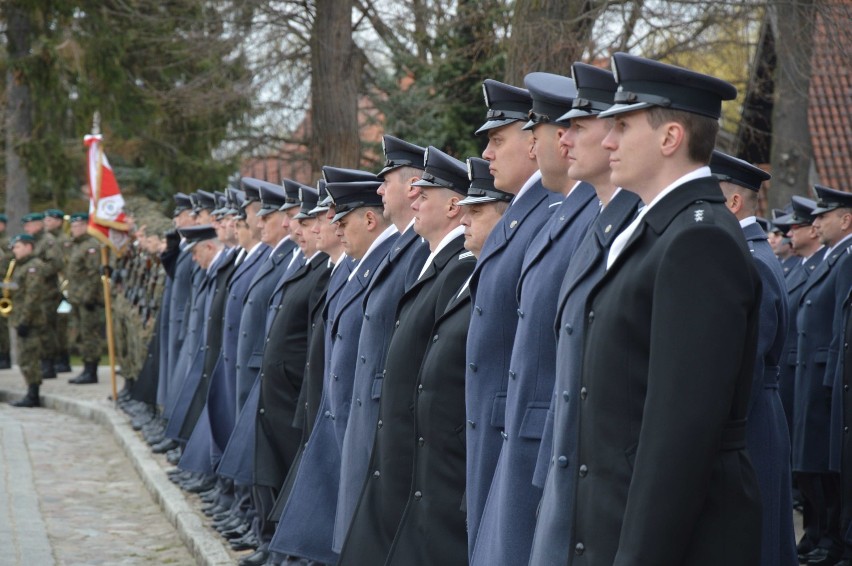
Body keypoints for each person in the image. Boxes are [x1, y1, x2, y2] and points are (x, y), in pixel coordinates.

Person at [571, 52, 762, 565]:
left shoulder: (698, 240)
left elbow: (680, 433)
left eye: (623, 125)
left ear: (670, 137)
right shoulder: (658, 227)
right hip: (620, 516)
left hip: (671, 538)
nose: (606, 139)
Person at [471, 70, 598, 566]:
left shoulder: (570, 212)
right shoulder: (562, 211)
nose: (486, 154)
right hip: (515, 429)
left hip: (539, 437)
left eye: (497, 140)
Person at [338, 147, 474, 566]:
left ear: (454, 205)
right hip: (401, 437)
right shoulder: (432, 258)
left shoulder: (456, 265)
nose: (413, 200)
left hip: (424, 446)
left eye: (424, 194)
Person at [529, 62, 641, 566]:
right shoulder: (597, 223)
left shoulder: (632, 227)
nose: (562, 140)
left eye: (578, 126)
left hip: (609, 475)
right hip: (571, 458)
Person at [384, 157, 509, 566]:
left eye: (478, 210)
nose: (466, 220)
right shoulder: (461, 267)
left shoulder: (464, 268)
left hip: (456, 449)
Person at [464, 78, 561, 555]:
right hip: (498, 420)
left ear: (532, 142)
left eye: (497, 140)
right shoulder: (528, 212)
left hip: (516, 427)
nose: (486, 154)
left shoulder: (546, 213)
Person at [334, 135, 430, 553]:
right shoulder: (403, 246)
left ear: (411, 187)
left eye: (386, 180)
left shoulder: (414, 248)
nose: (378, 190)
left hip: (385, 413)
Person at [712, 150, 797, 566]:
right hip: (758, 416)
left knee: (757, 543)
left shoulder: (751, 260)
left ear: (734, 203)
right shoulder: (750, 252)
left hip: (753, 423)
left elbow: (749, 363)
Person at [794, 185, 852, 565]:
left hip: (827, 374)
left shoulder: (845, 257)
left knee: (829, 466)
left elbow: (840, 327)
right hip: (814, 371)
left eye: (824, 216)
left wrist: (833, 378)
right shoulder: (837, 256)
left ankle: (833, 538)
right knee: (814, 463)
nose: (817, 223)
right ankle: (825, 535)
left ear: (846, 219)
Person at [7, 234, 51, 407]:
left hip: (30, 320)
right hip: (20, 317)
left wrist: (25, 320)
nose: (14, 251)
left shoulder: (34, 267)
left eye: (17, 247)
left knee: (30, 357)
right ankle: (30, 391)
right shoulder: (20, 266)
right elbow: (17, 288)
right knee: (24, 357)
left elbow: (32, 296)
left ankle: (33, 394)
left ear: (28, 247)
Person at [64, 213, 104, 384]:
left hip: (88, 299)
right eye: (73, 226)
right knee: (81, 333)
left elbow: (93, 273)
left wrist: (89, 296)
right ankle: (86, 367)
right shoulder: (75, 246)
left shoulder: (91, 246)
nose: (75, 229)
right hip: (76, 297)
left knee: (90, 334)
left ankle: (91, 369)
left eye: (79, 226)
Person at [22, 212, 63, 380]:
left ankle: (49, 364)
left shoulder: (48, 241)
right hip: (34, 292)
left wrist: (37, 271)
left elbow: (56, 264)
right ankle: (43, 363)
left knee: (47, 329)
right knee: (39, 329)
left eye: (29, 225)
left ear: (38, 225)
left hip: (47, 292)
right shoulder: (32, 241)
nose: (26, 228)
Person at [44, 208, 72, 373]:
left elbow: (66, 263)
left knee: (62, 326)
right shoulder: (48, 240)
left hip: (64, 287)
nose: (47, 222)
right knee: (51, 326)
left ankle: (64, 359)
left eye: (51, 220)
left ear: (59, 222)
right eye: (46, 220)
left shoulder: (63, 240)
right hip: (53, 288)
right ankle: (54, 359)